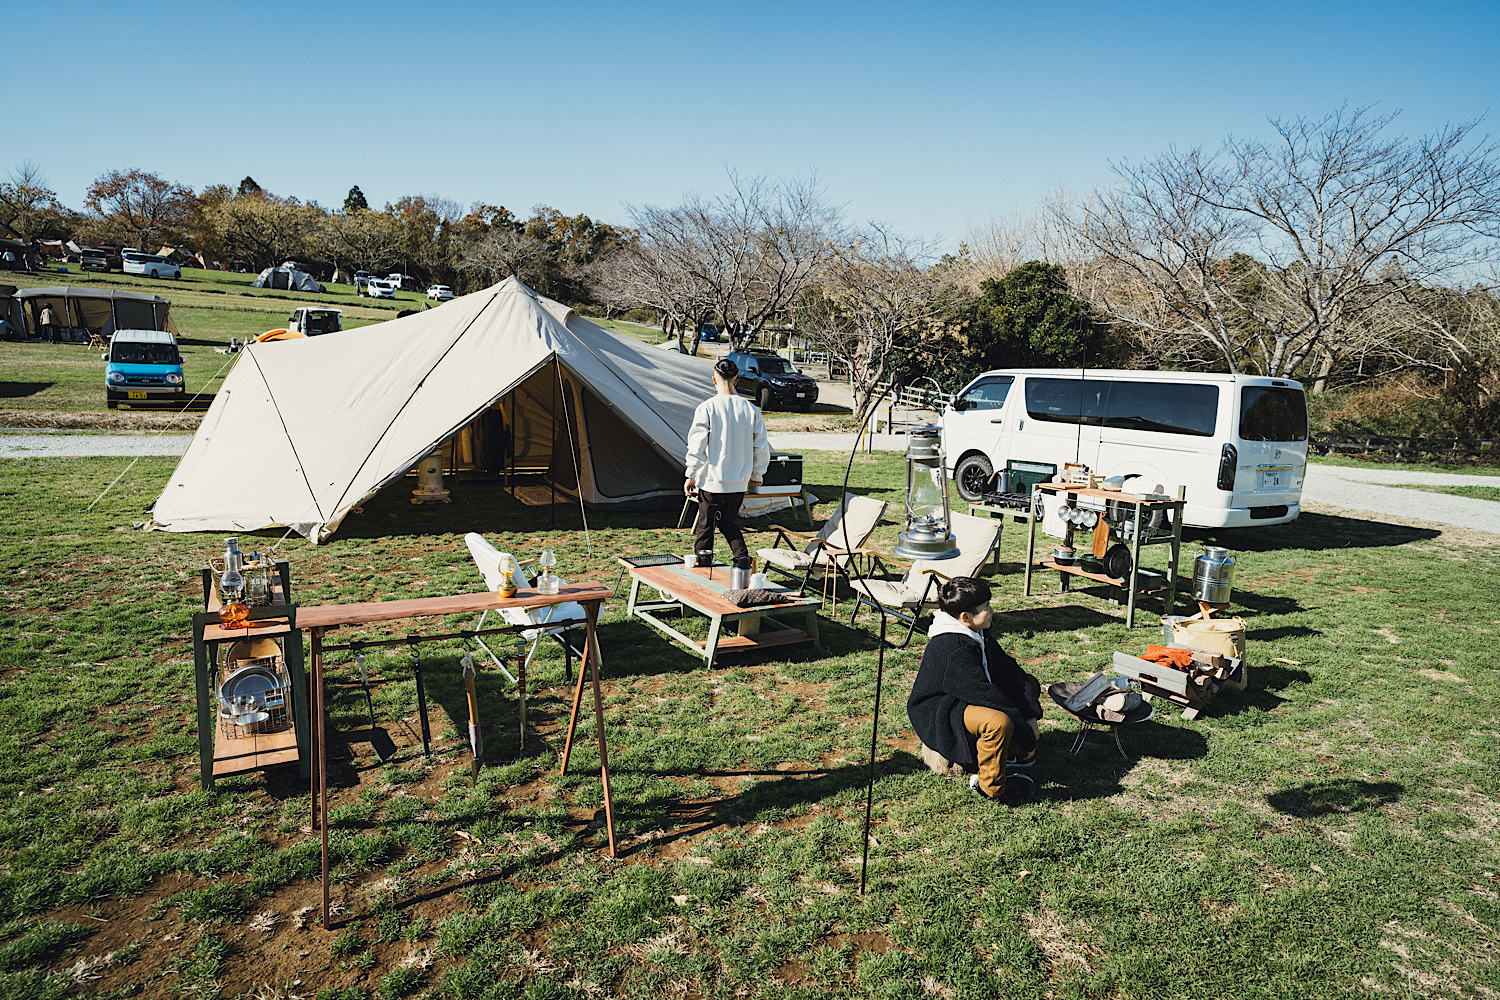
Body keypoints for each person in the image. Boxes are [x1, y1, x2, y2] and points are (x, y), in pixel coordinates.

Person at [907, 576, 1043, 805]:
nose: (991, 611)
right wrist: (1026, 735)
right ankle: (991, 787)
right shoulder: (953, 648)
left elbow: (1008, 670)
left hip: (968, 696)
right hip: (942, 711)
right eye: (986, 608)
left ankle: (1009, 753)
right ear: (965, 617)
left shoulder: (978, 632)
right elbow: (987, 698)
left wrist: (1030, 715)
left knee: (1028, 683)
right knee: (997, 721)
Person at [684, 357, 770, 569]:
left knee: (706, 525)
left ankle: (704, 565)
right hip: (738, 482)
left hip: (712, 480)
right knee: (728, 522)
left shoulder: (707, 407)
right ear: (737, 380)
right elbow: (761, 446)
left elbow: (697, 445)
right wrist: (757, 474)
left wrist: (691, 473)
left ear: (714, 380)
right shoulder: (751, 410)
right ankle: (741, 560)